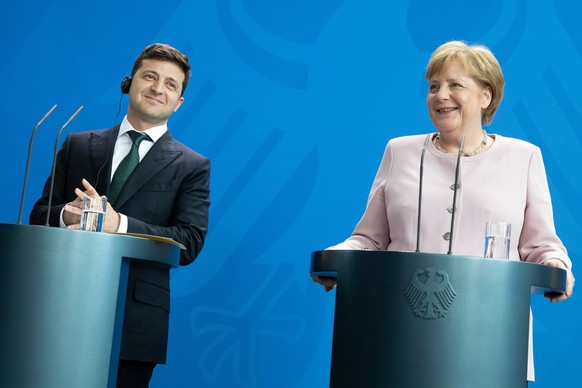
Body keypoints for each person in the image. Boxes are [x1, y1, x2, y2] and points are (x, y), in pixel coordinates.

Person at [311, 40, 575, 382]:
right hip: (396, 339)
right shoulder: (398, 151)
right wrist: (338, 256)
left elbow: (543, 246)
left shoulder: (524, 158)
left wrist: (556, 265)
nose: (440, 95)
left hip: (491, 344)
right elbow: (368, 239)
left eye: (455, 85)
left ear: (485, 96)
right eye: (434, 86)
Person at [29, 43, 210, 387]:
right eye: (150, 76)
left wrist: (120, 225)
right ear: (129, 83)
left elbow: (190, 242)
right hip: (60, 306)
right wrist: (67, 215)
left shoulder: (192, 166)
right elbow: (39, 213)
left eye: (171, 84)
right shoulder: (78, 144)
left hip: (135, 321)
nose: (158, 88)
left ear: (179, 102)